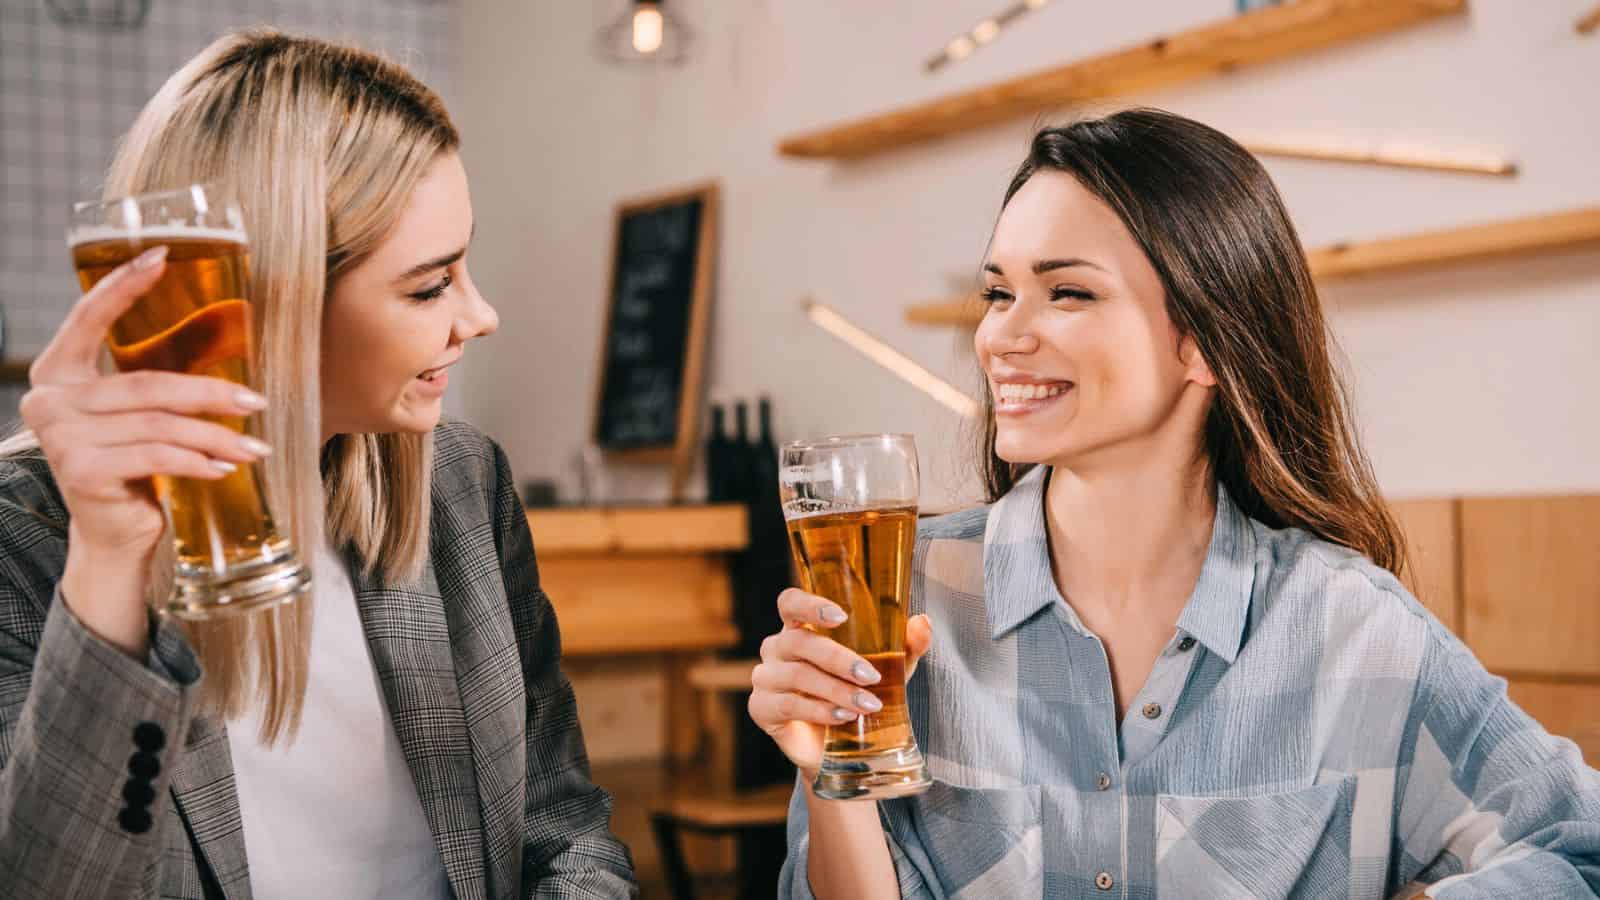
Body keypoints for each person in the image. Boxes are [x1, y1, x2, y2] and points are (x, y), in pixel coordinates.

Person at [750, 109, 1600, 899]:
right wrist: (831, 780)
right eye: (999, 292)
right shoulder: (907, 608)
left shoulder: (1350, 628)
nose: (1002, 335)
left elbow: (1579, 849)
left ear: (1204, 343)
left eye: (1067, 292)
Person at [0, 30, 635, 898]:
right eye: (428, 286)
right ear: (277, 297)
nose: (479, 315)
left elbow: (563, 828)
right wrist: (110, 564)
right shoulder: (24, 537)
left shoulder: (463, 485)